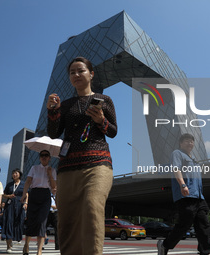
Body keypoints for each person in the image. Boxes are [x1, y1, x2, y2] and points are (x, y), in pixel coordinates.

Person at [46, 56, 117, 255]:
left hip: (97, 164)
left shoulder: (104, 100)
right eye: (72, 72)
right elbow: (53, 133)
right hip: (68, 167)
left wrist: (101, 120)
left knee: (92, 208)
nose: (76, 75)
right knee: (67, 220)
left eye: (81, 71)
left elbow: (112, 131)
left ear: (91, 74)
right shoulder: (66, 105)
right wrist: (52, 112)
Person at [157, 133, 210, 255]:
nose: (190, 143)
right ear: (181, 143)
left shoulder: (194, 160)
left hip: (198, 197)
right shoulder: (177, 153)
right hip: (185, 195)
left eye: (191, 141)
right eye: (187, 141)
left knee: (204, 224)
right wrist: (182, 184)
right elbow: (176, 169)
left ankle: (205, 252)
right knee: (184, 225)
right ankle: (165, 245)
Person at [21, 150, 57, 255]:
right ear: (39, 158)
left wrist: (50, 174)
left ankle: (39, 250)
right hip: (34, 194)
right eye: (42, 155)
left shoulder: (53, 170)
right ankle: (26, 245)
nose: (44, 157)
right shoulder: (34, 168)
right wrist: (24, 194)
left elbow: (54, 187)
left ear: (49, 158)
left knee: (42, 222)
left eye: (46, 155)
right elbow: (28, 181)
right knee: (31, 220)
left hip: (45, 195)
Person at [2, 169, 27, 253]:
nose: (14, 174)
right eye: (13, 173)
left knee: (19, 223)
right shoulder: (9, 184)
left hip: (20, 205)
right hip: (10, 205)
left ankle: (16, 238)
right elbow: (4, 195)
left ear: (19, 174)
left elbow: (27, 194)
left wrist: (26, 203)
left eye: (16, 173)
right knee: (8, 223)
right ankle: (8, 246)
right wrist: (9, 196)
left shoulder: (24, 184)